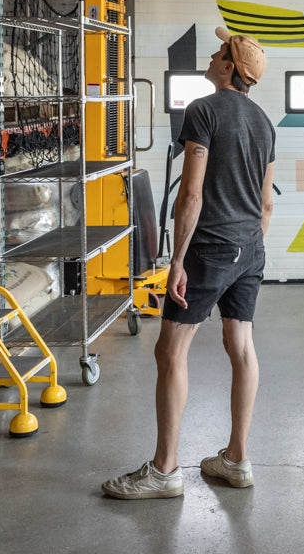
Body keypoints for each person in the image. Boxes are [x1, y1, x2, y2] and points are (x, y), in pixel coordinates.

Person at [103, 26, 276, 500]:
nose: (213, 56)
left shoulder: (204, 109)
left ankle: (164, 471)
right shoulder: (264, 122)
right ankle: (236, 461)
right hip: (250, 247)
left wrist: (178, 260)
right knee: (241, 347)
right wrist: (246, 252)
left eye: (220, 52)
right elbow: (266, 204)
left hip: (210, 247)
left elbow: (191, 194)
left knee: (170, 352)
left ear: (230, 68)